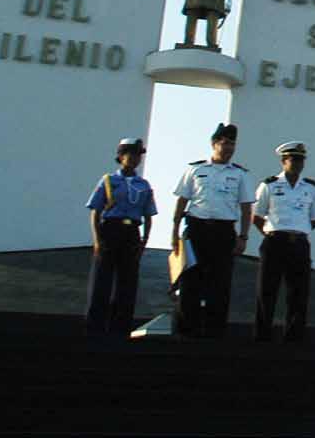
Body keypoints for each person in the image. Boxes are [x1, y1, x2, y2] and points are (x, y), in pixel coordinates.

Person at [171, 122, 252, 337]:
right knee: (190, 281)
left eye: (232, 144)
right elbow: (182, 201)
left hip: (223, 232)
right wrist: (174, 231)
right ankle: (186, 331)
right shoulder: (195, 169)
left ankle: (214, 332)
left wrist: (243, 236)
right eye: (225, 143)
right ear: (214, 144)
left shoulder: (240, 174)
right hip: (196, 230)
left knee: (220, 283)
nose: (228, 148)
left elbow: (246, 209)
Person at [85, 137, 156, 338]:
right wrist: (97, 240)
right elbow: (95, 212)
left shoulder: (143, 184)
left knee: (128, 281)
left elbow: (148, 214)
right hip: (110, 229)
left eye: (137, 155)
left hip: (131, 232)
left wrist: (144, 241)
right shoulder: (109, 180)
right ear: (121, 156)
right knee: (102, 280)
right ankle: (95, 327)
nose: (134, 159)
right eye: (130, 154)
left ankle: (120, 327)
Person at [252, 141, 315, 343]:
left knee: (298, 293)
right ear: (283, 161)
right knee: (267, 290)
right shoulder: (269, 185)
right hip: (275, 241)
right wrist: (274, 234)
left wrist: (297, 232)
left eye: (301, 160)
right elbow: (257, 216)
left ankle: (294, 337)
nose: (298, 163)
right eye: (293, 159)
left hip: (299, 243)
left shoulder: (311, 188)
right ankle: (262, 336)